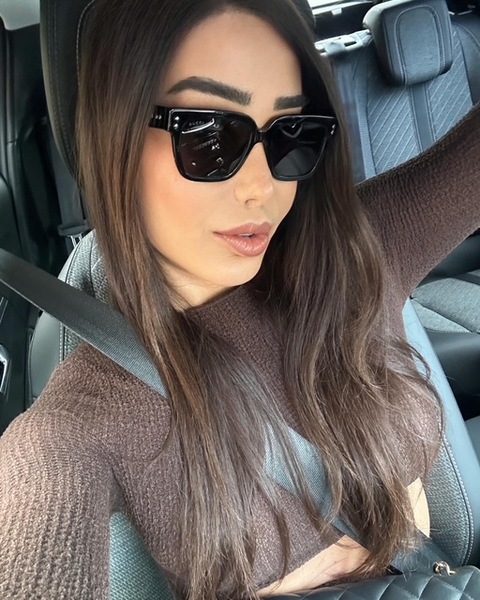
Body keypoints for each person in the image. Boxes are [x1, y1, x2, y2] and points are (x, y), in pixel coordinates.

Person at [1, 0, 480, 598]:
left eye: (291, 135)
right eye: (209, 136)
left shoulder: (358, 252)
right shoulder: (82, 421)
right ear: (111, 139)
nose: (263, 186)